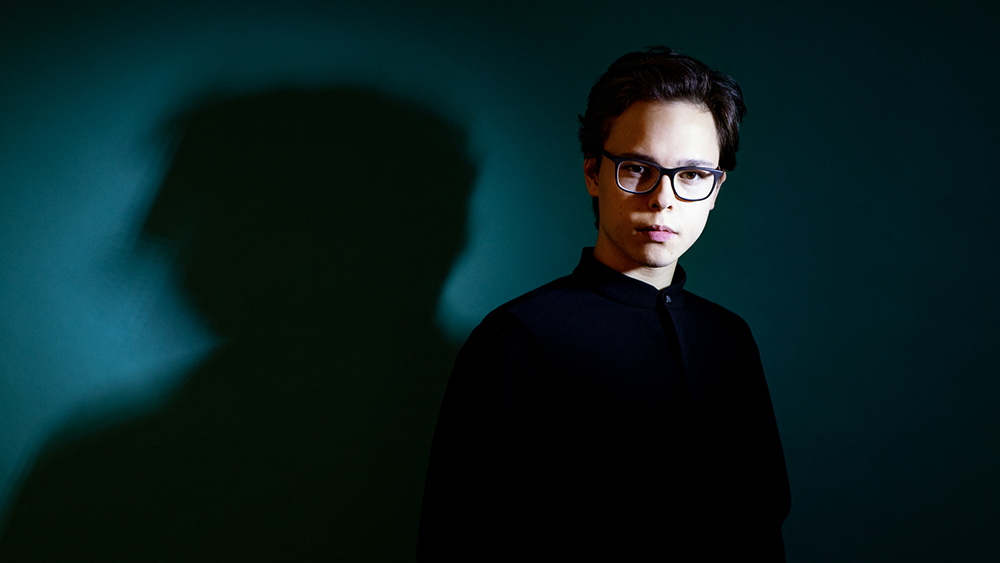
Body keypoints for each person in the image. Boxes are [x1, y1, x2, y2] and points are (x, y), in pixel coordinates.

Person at [417, 47, 791, 560]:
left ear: (716, 187)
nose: (663, 199)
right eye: (638, 168)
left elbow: (764, 523)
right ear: (593, 172)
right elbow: (456, 539)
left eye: (692, 174)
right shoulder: (516, 340)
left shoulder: (731, 339)